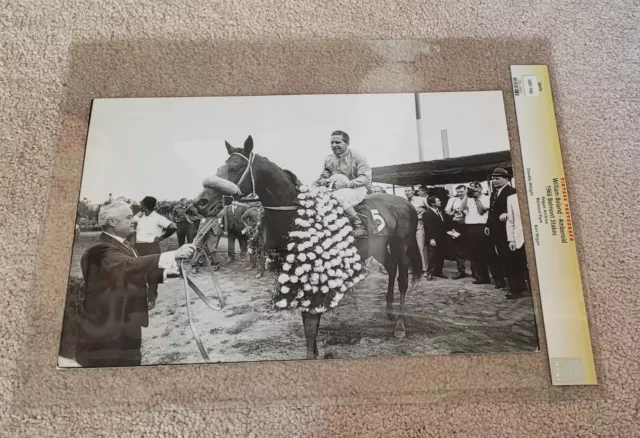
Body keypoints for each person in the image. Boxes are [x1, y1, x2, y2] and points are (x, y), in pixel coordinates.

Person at [75, 201, 195, 368]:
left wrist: (167, 273)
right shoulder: (100, 249)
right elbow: (128, 266)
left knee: (131, 363)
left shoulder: (122, 244)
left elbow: (134, 271)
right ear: (112, 222)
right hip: (108, 326)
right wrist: (174, 254)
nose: (135, 220)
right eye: (129, 217)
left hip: (126, 320)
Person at [313, 130, 372, 238]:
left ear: (347, 143)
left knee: (337, 197)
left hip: (357, 189)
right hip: (335, 189)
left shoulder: (358, 157)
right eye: (332, 143)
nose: (334, 145)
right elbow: (325, 174)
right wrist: (321, 180)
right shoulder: (329, 159)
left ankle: (360, 226)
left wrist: (346, 185)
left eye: (337, 142)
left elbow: (366, 179)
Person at [133, 196, 177, 309]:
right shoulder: (141, 217)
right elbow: (131, 221)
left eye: (141, 203)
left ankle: (151, 299)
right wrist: (137, 215)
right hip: (139, 247)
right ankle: (141, 297)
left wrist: (160, 238)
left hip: (151, 247)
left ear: (145, 205)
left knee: (152, 274)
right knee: (139, 272)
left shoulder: (157, 218)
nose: (139, 205)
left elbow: (172, 227)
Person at [462, 181, 504, 286]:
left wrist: (476, 199)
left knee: (490, 254)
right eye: (470, 188)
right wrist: (467, 196)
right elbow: (462, 207)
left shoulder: (487, 198)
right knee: (476, 254)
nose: (472, 190)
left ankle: (499, 280)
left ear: (479, 188)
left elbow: (481, 211)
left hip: (483, 227)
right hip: (470, 227)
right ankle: (483, 278)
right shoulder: (469, 198)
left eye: (474, 188)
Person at [485, 168, 515, 294]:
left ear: (506, 179)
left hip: (506, 229)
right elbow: (491, 212)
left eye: (497, 178)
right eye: (493, 179)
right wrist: (487, 225)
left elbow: (517, 209)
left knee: (509, 257)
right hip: (494, 229)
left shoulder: (512, 192)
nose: (494, 181)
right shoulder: (494, 193)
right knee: (495, 256)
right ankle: (501, 281)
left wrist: (507, 213)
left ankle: (514, 286)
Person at [505, 192, 530, 299]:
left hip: (537, 238)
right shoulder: (511, 198)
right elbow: (510, 221)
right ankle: (516, 290)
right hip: (519, 238)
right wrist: (511, 240)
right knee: (517, 264)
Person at [445, 184, 470, 279]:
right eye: (458, 192)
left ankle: (476, 272)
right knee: (459, 249)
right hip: (458, 225)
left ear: (466, 191)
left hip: (469, 224)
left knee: (472, 248)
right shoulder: (453, 200)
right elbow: (447, 210)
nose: (459, 193)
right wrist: (453, 213)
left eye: (461, 192)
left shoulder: (470, 199)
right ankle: (461, 271)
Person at [422, 195, 448, 281]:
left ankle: (439, 272)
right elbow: (428, 227)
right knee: (432, 255)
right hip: (434, 238)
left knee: (441, 255)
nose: (440, 202)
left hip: (442, 237)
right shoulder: (427, 213)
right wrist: (431, 239)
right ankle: (430, 273)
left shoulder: (440, 212)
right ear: (432, 203)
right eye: (438, 201)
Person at [405, 186, 428, 272]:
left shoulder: (421, 200)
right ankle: (412, 268)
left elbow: (430, 210)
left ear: (413, 191)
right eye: (406, 191)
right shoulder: (404, 201)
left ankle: (424, 268)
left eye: (409, 190)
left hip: (419, 224)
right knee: (410, 246)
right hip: (408, 225)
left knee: (420, 245)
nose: (407, 192)